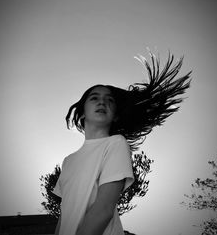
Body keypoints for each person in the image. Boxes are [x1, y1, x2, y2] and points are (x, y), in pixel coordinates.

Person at [53, 51, 192, 235]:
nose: (102, 101)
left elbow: (103, 210)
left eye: (109, 100)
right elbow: (64, 217)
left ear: (116, 116)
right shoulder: (68, 161)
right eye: (94, 98)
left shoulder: (115, 144)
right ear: (83, 111)